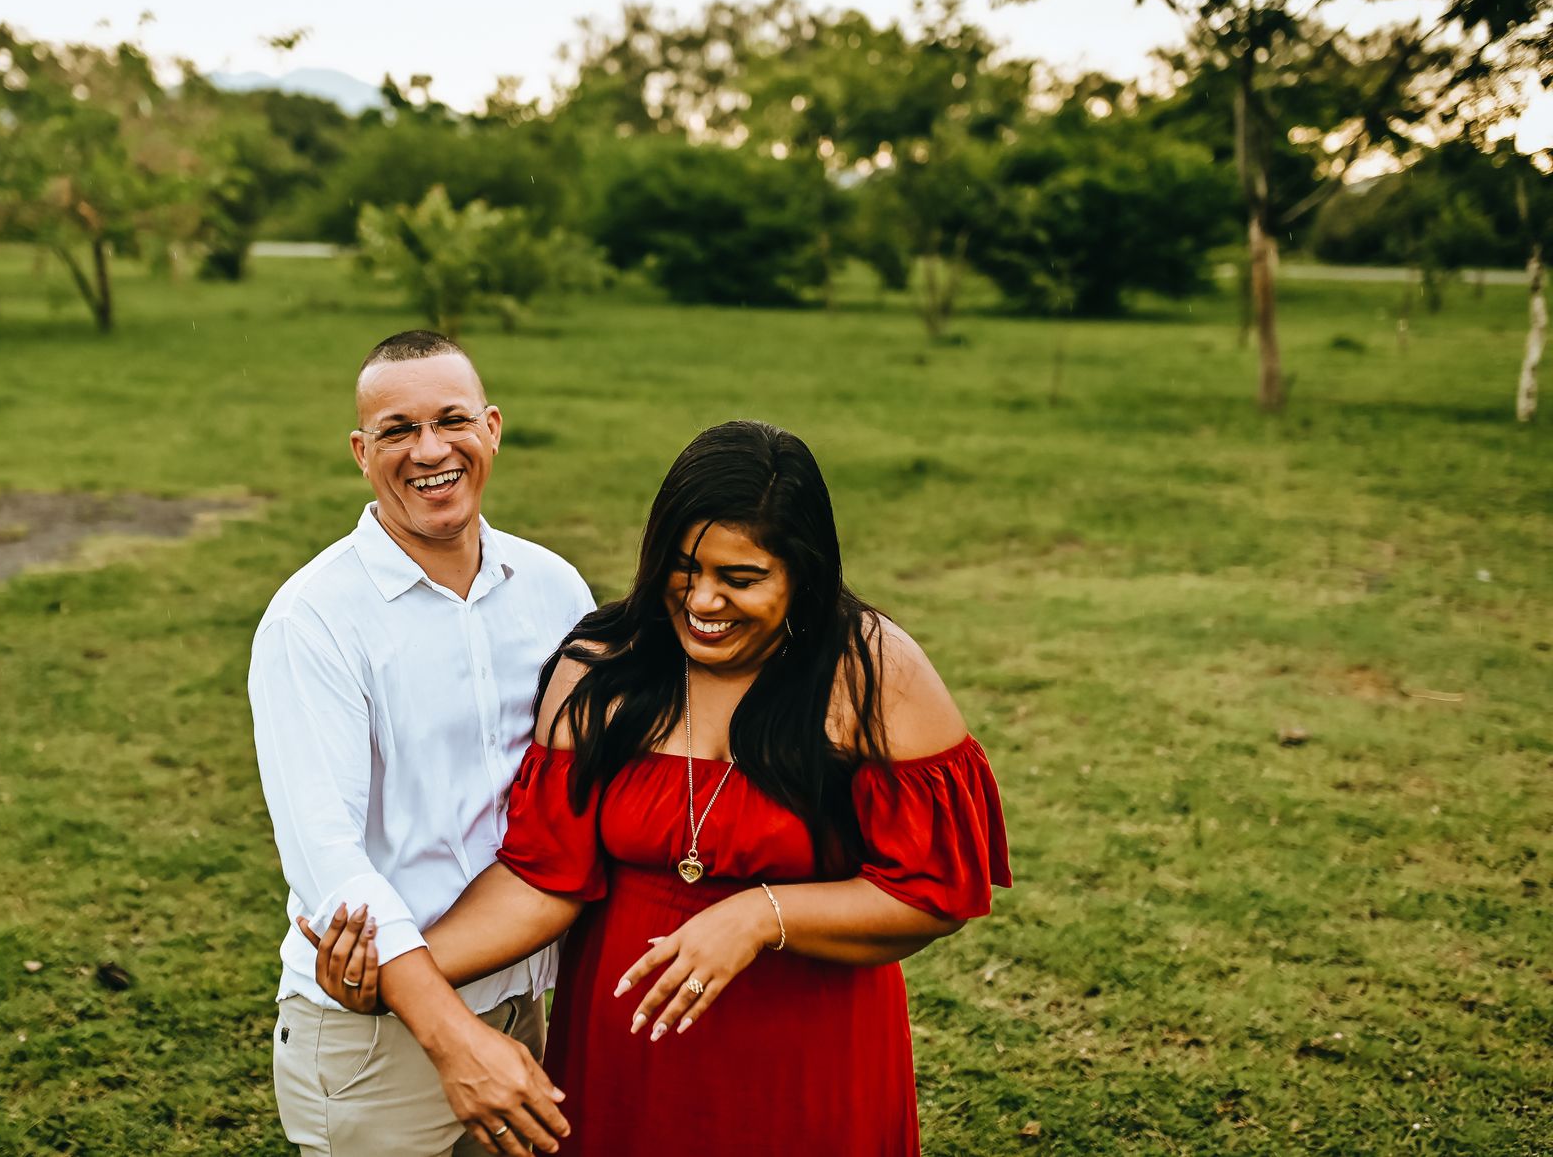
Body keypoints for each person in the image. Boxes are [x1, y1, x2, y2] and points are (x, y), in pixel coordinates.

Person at [310, 419, 1011, 1156]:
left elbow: (931, 893)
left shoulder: (873, 674)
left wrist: (757, 916)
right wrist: (402, 966)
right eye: (684, 569)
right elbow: (545, 874)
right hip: (626, 1061)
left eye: (741, 579)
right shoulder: (606, 666)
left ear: (802, 574)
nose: (703, 601)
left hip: (807, 1062)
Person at [250, 330, 593, 1157]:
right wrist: (450, 1037)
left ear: (494, 428)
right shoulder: (314, 618)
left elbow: (583, 796)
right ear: (362, 452)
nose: (429, 449)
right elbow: (328, 858)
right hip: (378, 1039)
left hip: (526, 1006)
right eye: (398, 430)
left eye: (452, 420)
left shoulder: (555, 590)